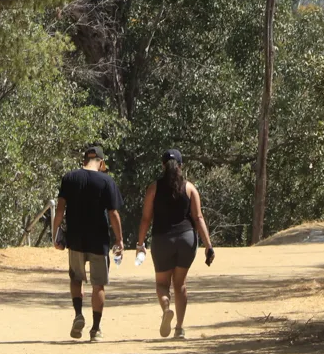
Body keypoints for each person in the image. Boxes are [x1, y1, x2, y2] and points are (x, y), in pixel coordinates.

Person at [134, 149, 214, 340]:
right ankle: (179, 328)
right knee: (180, 284)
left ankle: (166, 308)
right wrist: (208, 246)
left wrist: (140, 243)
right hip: (186, 240)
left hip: (162, 240)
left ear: (163, 166)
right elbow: (198, 217)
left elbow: (146, 218)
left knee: (162, 284)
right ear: (180, 166)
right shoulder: (190, 188)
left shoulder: (154, 188)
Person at [54, 144, 123, 341]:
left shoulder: (69, 178)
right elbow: (113, 213)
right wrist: (119, 240)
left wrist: (56, 234)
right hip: (99, 240)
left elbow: (60, 210)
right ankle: (96, 329)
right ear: (101, 162)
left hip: (75, 239)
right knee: (98, 284)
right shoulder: (106, 181)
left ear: (84, 160)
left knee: (76, 279)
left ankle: (78, 314)